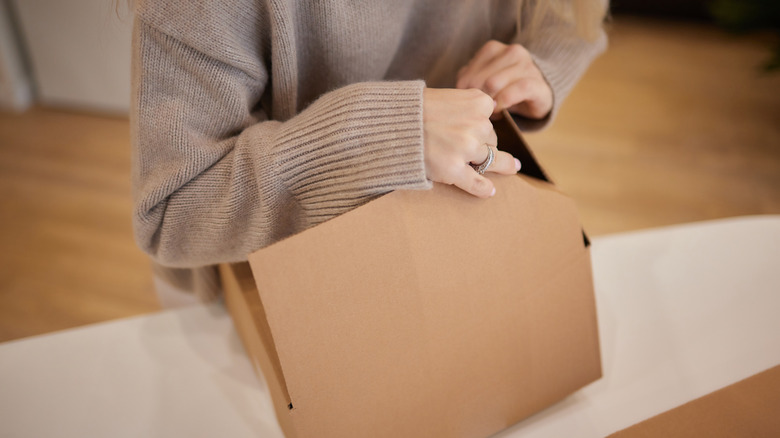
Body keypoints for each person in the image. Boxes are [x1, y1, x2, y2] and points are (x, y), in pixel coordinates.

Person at [130, 0, 608, 303]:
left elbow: (573, 15)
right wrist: (383, 136)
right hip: (254, 290)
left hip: (436, 257)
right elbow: (174, 214)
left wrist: (543, 66)